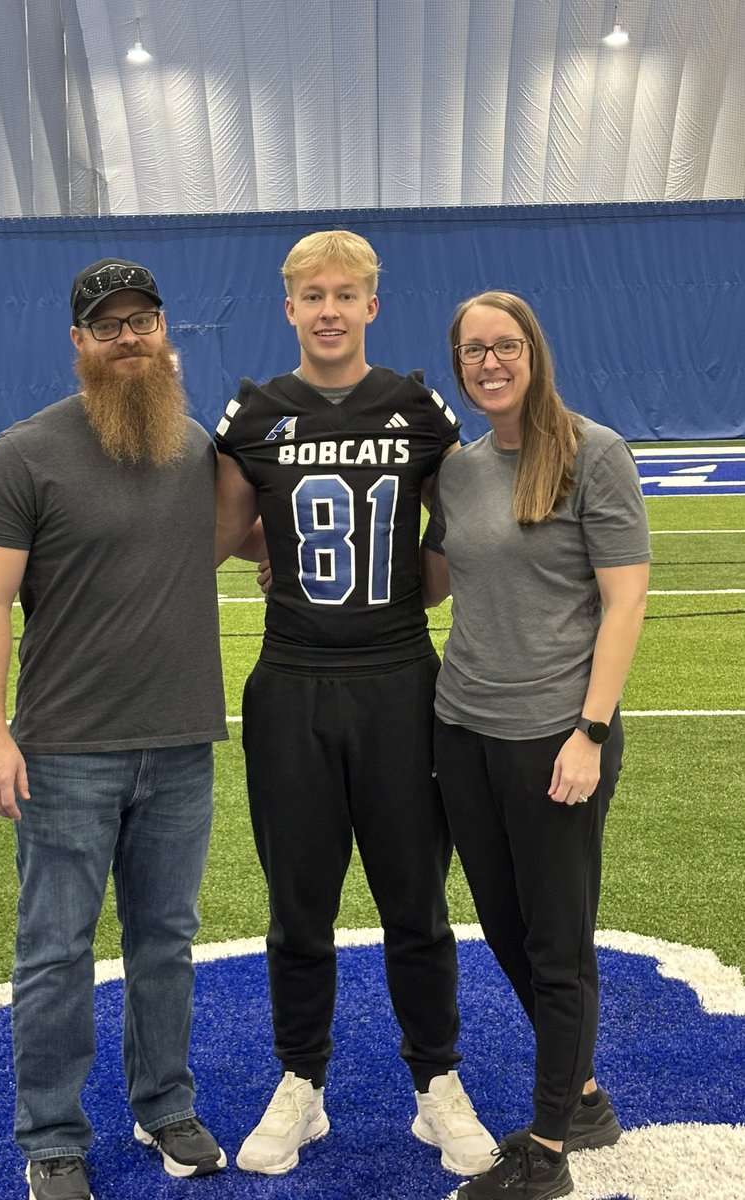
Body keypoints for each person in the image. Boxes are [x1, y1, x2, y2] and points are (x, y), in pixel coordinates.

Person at [214, 230, 496, 1179]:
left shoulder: (417, 409)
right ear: (287, 307)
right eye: (312, 296)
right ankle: (302, 1082)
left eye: (346, 294)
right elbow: (217, 535)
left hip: (398, 681)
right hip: (290, 685)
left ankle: (436, 1084)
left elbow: (454, 554)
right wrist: (272, 557)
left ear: (372, 305)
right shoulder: (254, 416)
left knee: (415, 898)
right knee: (299, 907)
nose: (329, 310)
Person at [0, 258, 229, 1200]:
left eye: (143, 321)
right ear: (78, 343)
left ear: (166, 333)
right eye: (108, 326)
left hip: (182, 746)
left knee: (167, 943)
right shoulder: (24, 454)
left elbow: (248, 541)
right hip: (65, 753)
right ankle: (53, 1136)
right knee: (54, 953)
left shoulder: (194, 446)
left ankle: (165, 1106)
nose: (129, 339)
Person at [421, 291, 650, 1200]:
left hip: (556, 736)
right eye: (473, 350)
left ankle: (550, 1149)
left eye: (504, 345)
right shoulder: (462, 469)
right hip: (463, 728)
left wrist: (589, 731)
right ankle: (584, 1096)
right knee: (510, 931)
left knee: (558, 943)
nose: (489, 362)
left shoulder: (595, 453)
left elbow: (625, 600)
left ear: (533, 351)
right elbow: (437, 584)